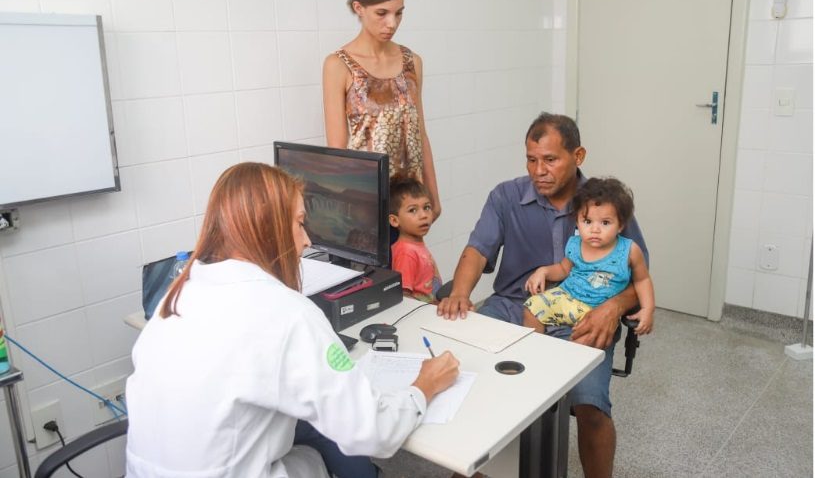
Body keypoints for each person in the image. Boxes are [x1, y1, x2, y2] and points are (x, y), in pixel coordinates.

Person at [126, 162, 459, 478]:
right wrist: (423, 387)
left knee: (307, 422)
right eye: (300, 223)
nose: (307, 241)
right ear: (268, 230)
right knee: (323, 450)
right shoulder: (288, 313)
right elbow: (373, 432)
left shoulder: (178, 295)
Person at [436, 113, 649, 478]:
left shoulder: (605, 205)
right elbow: (477, 250)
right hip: (512, 308)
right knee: (465, 373)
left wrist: (612, 308)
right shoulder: (505, 196)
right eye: (532, 160)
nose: (539, 170)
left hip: (584, 314)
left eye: (550, 159)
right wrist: (459, 292)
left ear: (578, 155)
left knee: (590, 406)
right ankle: (471, 467)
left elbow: (638, 276)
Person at [323, 0, 441, 220]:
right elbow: (338, 149)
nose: (392, 23)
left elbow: (419, 133)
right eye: (382, 13)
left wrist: (433, 194)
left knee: (409, 260)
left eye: (399, 13)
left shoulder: (412, 62)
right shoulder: (339, 65)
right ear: (358, 8)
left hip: (410, 203)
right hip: (366, 202)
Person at [523, 177, 655, 336]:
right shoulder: (575, 244)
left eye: (605, 223)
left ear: (620, 225)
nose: (595, 229)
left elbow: (642, 280)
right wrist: (543, 271)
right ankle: (534, 350)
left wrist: (648, 310)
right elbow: (563, 268)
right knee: (531, 309)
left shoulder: (629, 250)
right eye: (587, 221)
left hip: (597, 311)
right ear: (577, 222)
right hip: (566, 296)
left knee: (584, 340)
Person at [389, 173, 442, 303]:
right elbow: (404, 296)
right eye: (413, 210)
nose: (423, 215)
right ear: (395, 220)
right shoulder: (406, 252)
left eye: (427, 207)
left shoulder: (415, 243)